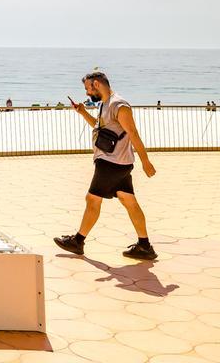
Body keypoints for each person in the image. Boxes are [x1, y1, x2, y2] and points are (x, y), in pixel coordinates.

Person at [54, 71, 157, 260]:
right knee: (129, 202)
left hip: (112, 162)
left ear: (96, 84)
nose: (86, 93)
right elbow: (100, 128)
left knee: (92, 199)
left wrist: (145, 161)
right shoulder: (105, 104)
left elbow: (133, 133)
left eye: (87, 88)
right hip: (117, 162)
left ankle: (78, 241)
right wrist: (83, 113)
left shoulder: (119, 105)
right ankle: (145, 246)